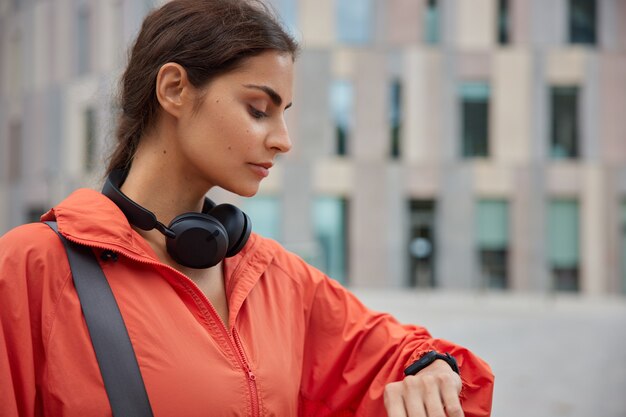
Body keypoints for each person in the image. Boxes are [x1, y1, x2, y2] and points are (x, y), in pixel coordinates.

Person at [0, 0, 494, 416]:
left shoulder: (274, 276)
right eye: (259, 110)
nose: (282, 141)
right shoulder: (32, 268)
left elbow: (407, 357)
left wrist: (430, 369)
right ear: (174, 89)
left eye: (283, 115)